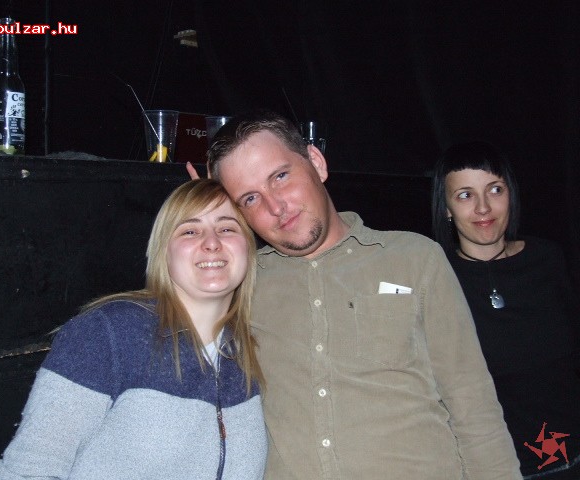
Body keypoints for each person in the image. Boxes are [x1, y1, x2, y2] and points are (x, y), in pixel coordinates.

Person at [188, 110, 521, 479]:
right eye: (250, 198)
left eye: (280, 177)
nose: (275, 207)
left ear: (316, 162)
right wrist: (207, 218)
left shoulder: (415, 258)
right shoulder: (240, 285)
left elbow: (475, 409)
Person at [0, 179, 267, 480]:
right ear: (164, 252)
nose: (212, 242)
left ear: (248, 248)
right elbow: (29, 470)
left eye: (227, 228)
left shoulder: (246, 354)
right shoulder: (108, 332)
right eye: (190, 231)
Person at [432, 141, 580, 479]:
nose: (483, 207)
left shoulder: (548, 260)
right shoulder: (435, 278)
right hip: (497, 470)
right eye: (465, 195)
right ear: (447, 208)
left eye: (495, 189)